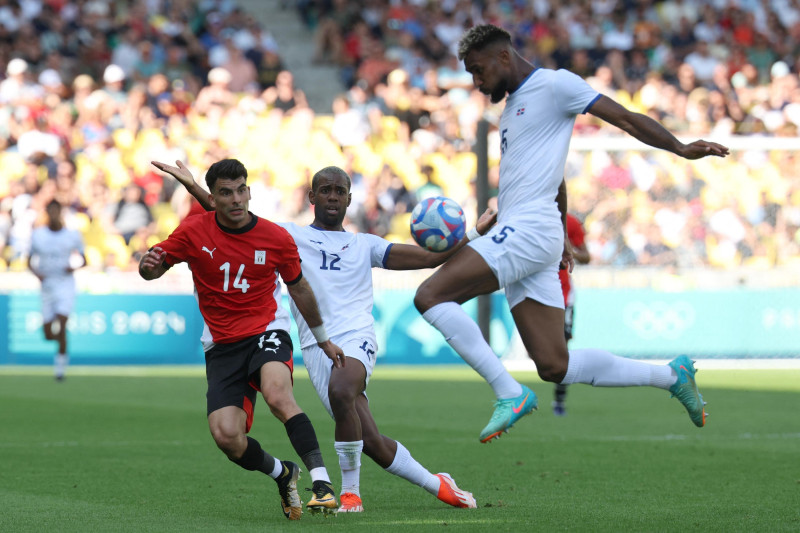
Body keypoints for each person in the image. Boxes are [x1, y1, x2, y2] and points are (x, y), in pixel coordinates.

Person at [413, 24, 729, 443]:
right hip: (537, 232)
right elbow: (554, 176)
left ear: (503, 56)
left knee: (431, 296)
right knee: (553, 365)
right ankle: (672, 376)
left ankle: (508, 392)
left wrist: (680, 148)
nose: (476, 81)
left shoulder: (556, 85)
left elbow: (624, 117)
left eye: (478, 69)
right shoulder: (513, 107)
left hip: (526, 230)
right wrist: (561, 232)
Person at [154, 161, 481, 513]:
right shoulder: (289, 235)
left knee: (341, 389)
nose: (333, 197)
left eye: (340, 191)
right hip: (316, 346)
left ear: (350, 199)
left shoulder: (365, 244)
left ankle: (350, 494)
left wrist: (474, 234)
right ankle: (438, 484)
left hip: (355, 337)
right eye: (325, 190)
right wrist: (193, 186)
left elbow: (429, 257)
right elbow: (233, 214)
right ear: (312, 197)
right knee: (370, 440)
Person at [138, 159, 343, 519]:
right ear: (213, 198)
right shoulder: (193, 232)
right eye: (225, 193)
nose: (235, 199)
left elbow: (299, 288)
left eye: (240, 190)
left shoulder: (275, 237)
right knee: (227, 437)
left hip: (267, 329)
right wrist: (148, 267)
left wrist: (323, 339)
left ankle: (322, 483)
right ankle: (283, 473)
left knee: (278, 396)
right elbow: (153, 268)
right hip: (222, 344)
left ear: (249, 191)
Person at [27, 200, 86, 381]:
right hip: (47, 285)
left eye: (56, 211)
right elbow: (28, 261)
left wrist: (73, 268)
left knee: (62, 322)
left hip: (65, 283)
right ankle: (61, 342)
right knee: (48, 333)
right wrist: (37, 274)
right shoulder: (38, 235)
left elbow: (84, 259)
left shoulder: (72, 235)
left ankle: (60, 370)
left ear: (61, 212)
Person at [552, 213, 590, 417]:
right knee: (538, 351)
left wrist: (568, 250)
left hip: (563, 293)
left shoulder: (570, 222)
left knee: (562, 347)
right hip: (534, 292)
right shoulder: (528, 214)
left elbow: (586, 256)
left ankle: (559, 399)